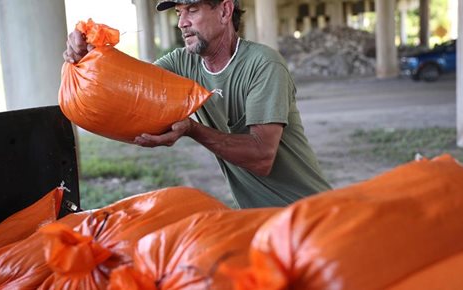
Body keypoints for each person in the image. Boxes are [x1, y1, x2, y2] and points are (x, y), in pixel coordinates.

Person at [64, 0, 332, 208]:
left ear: (225, 11)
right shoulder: (182, 63)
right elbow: (133, 90)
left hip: (311, 213)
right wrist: (88, 54)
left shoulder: (263, 65)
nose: (182, 22)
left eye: (192, 9)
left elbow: (262, 157)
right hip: (258, 220)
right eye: (179, 12)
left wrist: (194, 130)